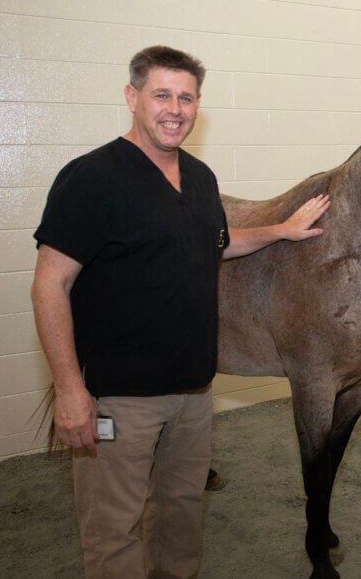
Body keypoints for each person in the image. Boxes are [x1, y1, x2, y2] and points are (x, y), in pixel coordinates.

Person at [30, 45, 330, 578]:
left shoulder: (198, 178)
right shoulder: (91, 178)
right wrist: (71, 389)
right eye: (161, 94)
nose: (175, 108)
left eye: (186, 97)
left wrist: (279, 231)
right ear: (132, 97)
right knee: (114, 531)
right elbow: (50, 284)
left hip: (192, 395)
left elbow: (216, 241)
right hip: (120, 400)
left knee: (182, 514)